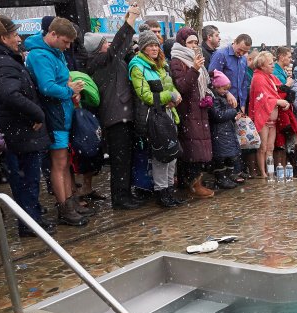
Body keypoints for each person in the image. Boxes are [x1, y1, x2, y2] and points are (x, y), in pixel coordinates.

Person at [0, 13, 54, 237]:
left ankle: (30, 217)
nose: (18, 38)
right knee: (27, 180)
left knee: (23, 178)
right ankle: (30, 224)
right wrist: (38, 114)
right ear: (3, 38)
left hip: (15, 129)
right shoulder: (3, 62)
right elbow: (11, 95)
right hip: (22, 130)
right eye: (14, 35)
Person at [25, 17, 89, 226]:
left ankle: (71, 201)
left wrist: (72, 90)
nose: (68, 46)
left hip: (63, 111)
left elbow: (62, 79)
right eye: (65, 41)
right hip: (55, 116)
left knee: (65, 162)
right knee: (59, 163)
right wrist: (70, 90)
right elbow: (47, 87)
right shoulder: (40, 55)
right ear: (52, 35)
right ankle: (64, 207)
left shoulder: (55, 52)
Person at [84, 3, 141, 210]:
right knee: (120, 159)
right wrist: (131, 18)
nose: (109, 45)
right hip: (115, 116)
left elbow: (121, 45)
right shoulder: (100, 62)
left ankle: (125, 194)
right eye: (104, 43)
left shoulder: (107, 60)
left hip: (120, 114)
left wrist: (127, 18)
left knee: (125, 158)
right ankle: (120, 198)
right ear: (99, 47)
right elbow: (119, 43)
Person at [129, 31, 182, 208]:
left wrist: (176, 96)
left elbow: (170, 86)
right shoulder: (137, 66)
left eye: (155, 45)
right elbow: (146, 96)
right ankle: (162, 192)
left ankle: (169, 189)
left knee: (172, 154)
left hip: (168, 114)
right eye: (150, 45)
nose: (153, 48)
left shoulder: (161, 65)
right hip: (154, 117)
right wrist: (170, 96)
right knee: (162, 155)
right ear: (143, 48)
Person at [170, 28, 214, 198]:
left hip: (199, 109)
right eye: (190, 42)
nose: (194, 45)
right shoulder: (177, 61)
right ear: (182, 43)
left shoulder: (196, 59)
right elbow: (182, 86)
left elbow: (201, 84)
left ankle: (195, 182)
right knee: (192, 149)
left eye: (196, 42)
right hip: (187, 110)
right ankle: (192, 184)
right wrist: (195, 69)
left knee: (199, 147)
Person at [249, 51, 290, 179]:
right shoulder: (258, 78)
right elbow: (263, 98)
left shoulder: (270, 77)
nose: (273, 65)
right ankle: (263, 172)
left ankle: (270, 170)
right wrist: (279, 101)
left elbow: (278, 89)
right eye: (270, 63)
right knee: (263, 147)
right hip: (264, 118)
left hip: (272, 118)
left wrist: (285, 99)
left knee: (270, 147)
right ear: (262, 65)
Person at [208, 70, 241, 189]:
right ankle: (221, 177)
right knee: (221, 157)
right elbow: (218, 115)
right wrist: (233, 112)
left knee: (229, 155)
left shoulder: (221, 97)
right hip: (220, 132)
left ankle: (227, 175)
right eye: (223, 89)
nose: (225, 91)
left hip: (226, 131)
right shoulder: (214, 98)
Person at [208, 34, 252, 111]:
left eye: (245, 52)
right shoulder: (221, 54)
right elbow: (212, 77)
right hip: (222, 103)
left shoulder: (243, 59)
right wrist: (227, 93)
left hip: (238, 104)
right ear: (235, 42)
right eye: (240, 50)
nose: (241, 53)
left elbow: (244, 83)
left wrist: (242, 104)